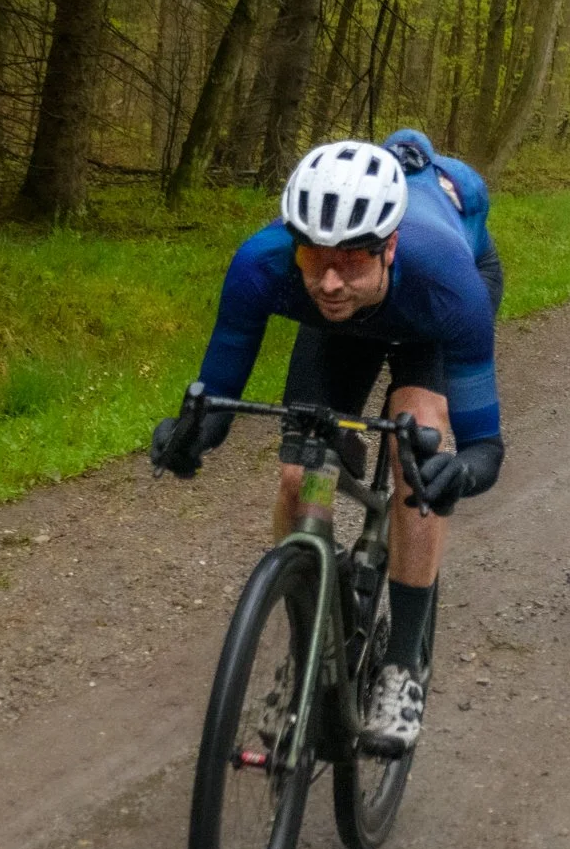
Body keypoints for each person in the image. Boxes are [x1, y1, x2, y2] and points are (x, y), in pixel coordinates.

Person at [152, 137, 504, 755]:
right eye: (314, 259)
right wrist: (188, 439)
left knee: (413, 453)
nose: (331, 280)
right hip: (337, 338)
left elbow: (484, 446)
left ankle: (401, 670)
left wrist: (459, 471)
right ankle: (310, 647)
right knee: (299, 474)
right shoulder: (263, 265)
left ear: (389, 246)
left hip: (425, 325)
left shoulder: (446, 277)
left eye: (351, 261)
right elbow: (218, 398)